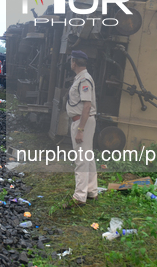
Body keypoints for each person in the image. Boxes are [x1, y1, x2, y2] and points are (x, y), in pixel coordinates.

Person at [64, 50, 97, 208]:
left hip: (82, 122)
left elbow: (87, 105)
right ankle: (91, 190)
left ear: (74, 62)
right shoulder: (83, 78)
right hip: (83, 121)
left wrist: (81, 129)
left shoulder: (84, 79)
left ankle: (79, 196)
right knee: (87, 157)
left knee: (81, 159)